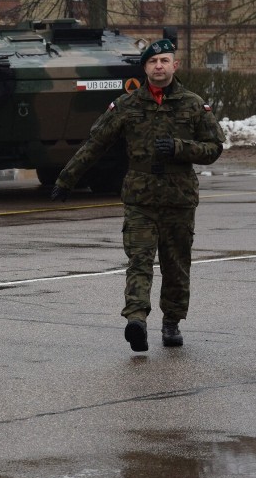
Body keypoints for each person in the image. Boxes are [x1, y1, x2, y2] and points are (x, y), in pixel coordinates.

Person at [51, 39, 225, 352]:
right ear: (144, 67)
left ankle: (171, 322)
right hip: (140, 199)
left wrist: (180, 148)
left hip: (179, 199)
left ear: (175, 65)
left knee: (176, 265)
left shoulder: (194, 104)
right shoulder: (127, 105)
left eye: (164, 60)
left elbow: (214, 149)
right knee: (139, 261)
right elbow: (95, 144)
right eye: (152, 61)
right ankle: (136, 320)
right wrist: (67, 179)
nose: (159, 66)